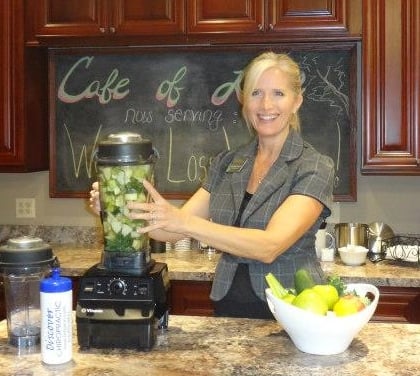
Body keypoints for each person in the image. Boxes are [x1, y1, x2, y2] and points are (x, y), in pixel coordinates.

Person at [90, 51, 335, 319]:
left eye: (278, 93)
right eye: (255, 93)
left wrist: (185, 224)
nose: (266, 105)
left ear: (296, 101)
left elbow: (269, 246)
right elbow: (171, 231)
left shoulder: (313, 166)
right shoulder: (228, 163)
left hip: (295, 313)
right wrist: (118, 207)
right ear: (243, 100)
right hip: (229, 308)